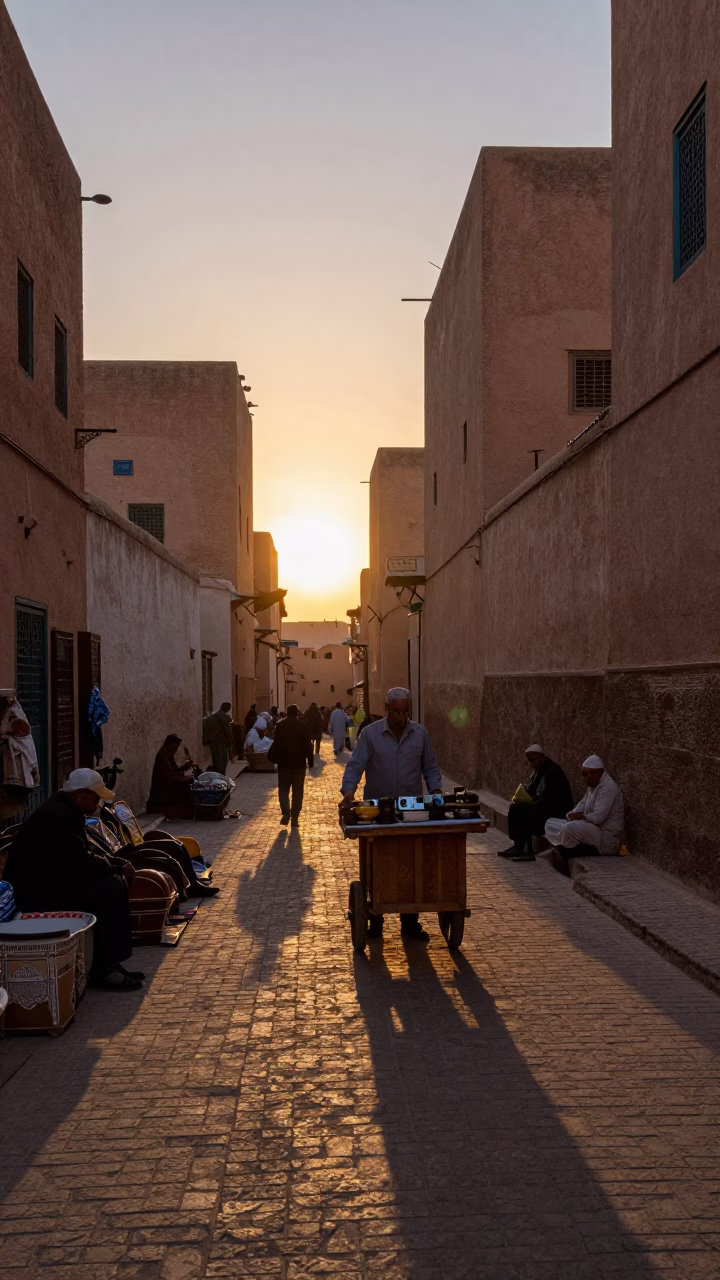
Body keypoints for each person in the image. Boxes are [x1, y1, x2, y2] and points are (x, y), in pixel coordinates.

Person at [3, 769, 143, 991]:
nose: (98, 804)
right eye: (96, 797)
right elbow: (81, 862)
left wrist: (113, 864)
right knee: (111, 888)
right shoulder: (58, 816)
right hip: (36, 895)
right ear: (80, 795)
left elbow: (82, 854)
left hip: (52, 882)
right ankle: (105, 969)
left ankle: (110, 962)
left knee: (111, 883)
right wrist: (116, 867)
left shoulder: (66, 810)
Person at [340, 687, 442, 940]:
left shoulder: (420, 734)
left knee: (411, 864)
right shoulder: (370, 734)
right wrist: (349, 793)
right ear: (387, 709)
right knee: (378, 865)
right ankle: (376, 921)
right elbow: (356, 765)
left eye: (405, 711)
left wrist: (436, 792)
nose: (401, 716)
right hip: (378, 811)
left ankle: (410, 923)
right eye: (396, 711)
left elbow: (430, 767)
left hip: (412, 812)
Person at [499, 744, 574, 863]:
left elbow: (549, 800)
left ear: (542, 757)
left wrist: (530, 803)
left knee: (524, 810)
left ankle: (527, 850)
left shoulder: (553, 772)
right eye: (529, 761)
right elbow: (532, 791)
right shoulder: (539, 771)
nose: (531, 764)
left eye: (533, 760)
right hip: (544, 808)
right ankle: (518, 846)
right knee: (515, 807)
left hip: (555, 812)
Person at [546, 755, 624, 866]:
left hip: (605, 837)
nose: (586, 777)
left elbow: (598, 818)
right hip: (592, 829)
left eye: (589, 774)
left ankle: (565, 855)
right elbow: (579, 808)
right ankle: (566, 849)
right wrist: (571, 815)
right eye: (584, 774)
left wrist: (581, 817)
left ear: (599, 772)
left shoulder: (608, 788)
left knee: (570, 828)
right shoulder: (592, 787)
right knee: (550, 824)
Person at [267, 704, 314, 826]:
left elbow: (276, 743)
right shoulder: (302, 726)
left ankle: (286, 813)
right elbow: (308, 746)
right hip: (299, 764)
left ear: (287, 712)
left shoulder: (280, 725)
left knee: (283, 789)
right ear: (297, 712)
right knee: (298, 791)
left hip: (284, 764)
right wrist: (311, 761)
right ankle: (295, 817)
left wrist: (274, 758)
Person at [148, 735, 198, 808]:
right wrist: (184, 779)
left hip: (167, 785)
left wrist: (185, 767)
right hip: (162, 791)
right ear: (169, 744)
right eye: (175, 747)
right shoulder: (163, 755)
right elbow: (167, 777)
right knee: (186, 789)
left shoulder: (169, 754)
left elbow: (175, 771)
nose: (176, 750)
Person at [203, 701, 235, 774]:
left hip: (212, 742)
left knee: (215, 759)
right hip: (221, 742)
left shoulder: (210, 718)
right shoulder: (226, 717)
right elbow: (228, 731)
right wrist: (231, 742)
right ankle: (220, 775)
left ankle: (216, 774)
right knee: (222, 761)